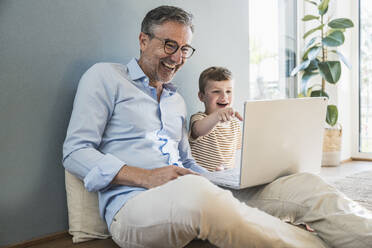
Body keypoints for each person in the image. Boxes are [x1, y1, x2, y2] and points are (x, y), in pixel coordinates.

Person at [63, 5, 372, 248]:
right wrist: (147, 177)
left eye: (184, 49)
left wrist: (228, 179)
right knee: (198, 193)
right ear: (143, 40)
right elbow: (75, 152)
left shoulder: (176, 101)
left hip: (194, 190)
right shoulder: (105, 77)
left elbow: (186, 162)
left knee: (304, 186)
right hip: (132, 207)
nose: (177, 57)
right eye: (169, 45)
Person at [189, 66, 242, 171]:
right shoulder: (199, 118)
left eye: (228, 91)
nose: (224, 97)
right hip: (202, 178)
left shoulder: (235, 124)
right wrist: (218, 115)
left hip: (224, 179)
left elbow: (232, 157)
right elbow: (199, 130)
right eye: (216, 91)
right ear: (201, 96)